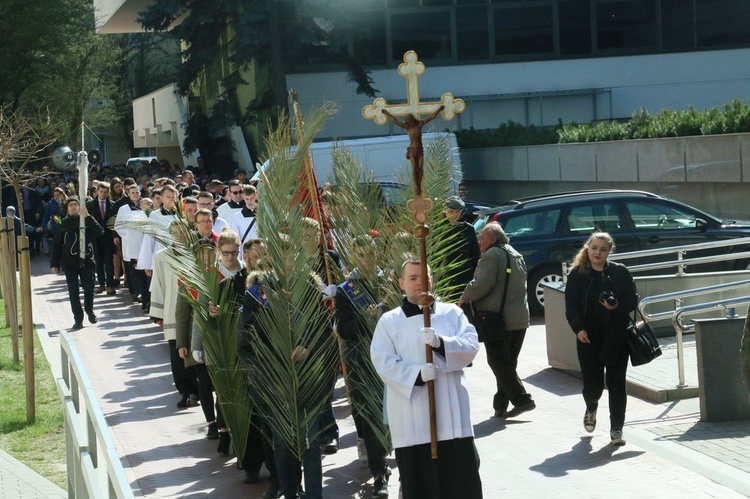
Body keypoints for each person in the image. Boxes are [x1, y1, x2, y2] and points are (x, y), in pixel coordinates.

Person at [371, 259, 482, 499]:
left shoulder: (452, 313)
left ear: (432, 280)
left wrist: (442, 343)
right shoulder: (390, 322)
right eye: (413, 278)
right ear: (401, 284)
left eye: (424, 277)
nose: (420, 282)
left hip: (454, 423)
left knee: (462, 487)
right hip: (414, 424)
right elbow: (383, 361)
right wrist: (417, 374)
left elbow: (472, 345)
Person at [564, 232, 637, 446]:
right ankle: (591, 407)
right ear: (588, 248)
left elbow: (632, 300)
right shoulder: (578, 274)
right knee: (592, 385)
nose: (598, 252)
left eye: (603, 249)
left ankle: (617, 429)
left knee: (616, 384)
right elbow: (571, 307)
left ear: (609, 252)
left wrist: (616, 306)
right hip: (588, 338)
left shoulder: (619, 272)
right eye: (594, 248)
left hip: (616, 337)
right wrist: (578, 329)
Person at [458, 222, 535, 419]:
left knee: (498, 361)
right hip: (519, 318)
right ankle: (500, 405)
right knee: (507, 363)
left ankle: (522, 399)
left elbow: (482, 284)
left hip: (499, 320)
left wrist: (465, 296)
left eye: (482, 238)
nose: (479, 242)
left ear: (492, 238)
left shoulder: (492, 255)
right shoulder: (515, 253)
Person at [335, 235, 391, 498]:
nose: (365, 259)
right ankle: (379, 472)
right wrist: (365, 319)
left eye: (369, 253)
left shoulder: (388, 283)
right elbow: (344, 329)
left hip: (392, 361)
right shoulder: (347, 289)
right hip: (362, 361)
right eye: (359, 255)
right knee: (369, 416)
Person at [49, 197, 104, 330]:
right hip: (70, 263)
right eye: (71, 205)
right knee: (73, 292)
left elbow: (100, 232)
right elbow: (57, 244)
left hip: (87, 261)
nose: (73, 207)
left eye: (75, 204)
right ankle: (78, 319)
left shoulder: (86, 220)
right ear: (67, 208)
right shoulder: (65, 223)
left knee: (89, 288)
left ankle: (89, 310)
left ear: (80, 207)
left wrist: (88, 217)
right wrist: (54, 263)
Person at [381, 105, 444, 196]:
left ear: (412, 119)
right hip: (412, 149)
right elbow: (394, 120)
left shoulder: (419, 124)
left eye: (409, 120)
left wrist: (439, 109)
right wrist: (386, 113)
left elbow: (431, 117)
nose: (409, 121)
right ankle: (417, 188)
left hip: (419, 149)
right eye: (407, 121)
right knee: (415, 169)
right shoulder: (407, 127)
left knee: (420, 168)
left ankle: (420, 186)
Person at [441, 195, 481, 303]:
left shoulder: (468, 229)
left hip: (464, 278)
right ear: (444, 210)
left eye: (457, 212)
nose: (454, 215)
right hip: (444, 279)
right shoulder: (438, 230)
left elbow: (475, 255)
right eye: (451, 211)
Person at [86, 182, 117, 295]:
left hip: (108, 237)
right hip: (95, 237)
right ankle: (101, 284)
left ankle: (110, 285)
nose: (103, 194)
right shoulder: (90, 205)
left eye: (105, 192)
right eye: (101, 191)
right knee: (98, 261)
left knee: (108, 261)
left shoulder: (112, 205)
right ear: (97, 191)